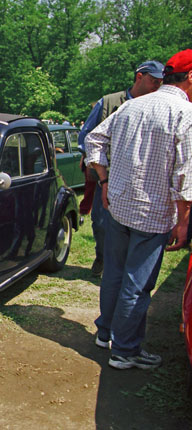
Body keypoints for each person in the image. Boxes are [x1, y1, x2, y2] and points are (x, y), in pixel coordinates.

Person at [85, 49, 192, 370]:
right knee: (137, 284)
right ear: (190, 78)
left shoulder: (133, 105)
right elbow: (186, 172)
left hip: (119, 206)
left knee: (115, 275)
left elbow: (93, 140)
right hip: (153, 213)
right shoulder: (185, 114)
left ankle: (106, 334)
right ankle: (125, 350)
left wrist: (103, 182)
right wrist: (184, 220)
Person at [78, 60, 164, 276]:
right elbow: (87, 135)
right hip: (106, 177)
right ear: (139, 77)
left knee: (138, 227)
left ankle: (124, 268)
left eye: (160, 82)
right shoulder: (109, 102)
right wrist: (93, 163)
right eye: (154, 80)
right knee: (101, 222)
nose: (157, 86)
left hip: (144, 178)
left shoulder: (159, 105)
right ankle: (103, 259)